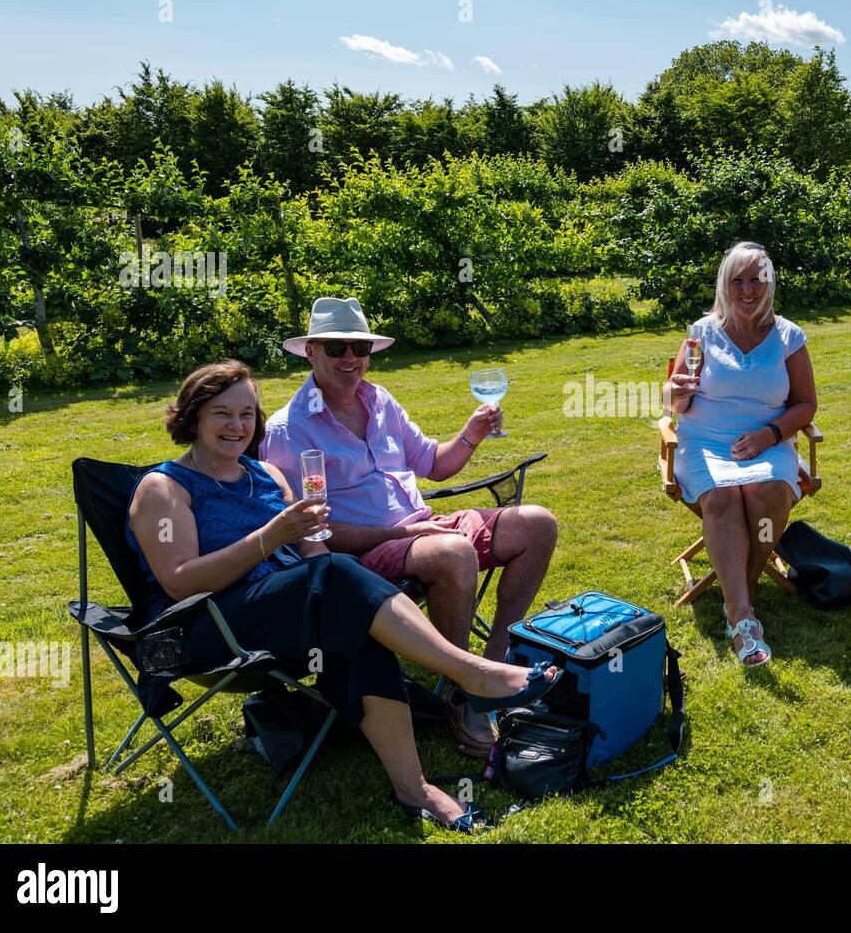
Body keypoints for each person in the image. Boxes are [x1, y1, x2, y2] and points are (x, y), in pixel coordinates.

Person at [127, 360, 558, 830]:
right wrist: (270, 539)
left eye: (247, 414)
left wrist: (325, 558)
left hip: (291, 608)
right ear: (192, 416)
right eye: (222, 414)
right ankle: (472, 674)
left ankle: (414, 789)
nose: (237, 426)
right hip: (213, 625)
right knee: (335, 577)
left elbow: (314, 551)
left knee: (352, 617)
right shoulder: (164, 487)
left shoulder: (267, 475)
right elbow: (180, 581)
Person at [261, 297, 558, 757]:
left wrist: (471, 434)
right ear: (311, 351)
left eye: (359, 347)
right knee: (453, 551)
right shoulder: (288, 430)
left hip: (423, 526)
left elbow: (433, 466)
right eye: (337, 348)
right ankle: (466, 691)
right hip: (362, 556)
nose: (351, 359)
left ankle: (493, 661)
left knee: (537, 523)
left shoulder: (380, 401)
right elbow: (306, 531)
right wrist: (399, 535)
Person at [664, 241, 818, 668]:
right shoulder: (702, 332)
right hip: (706, 442)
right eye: (739, 281)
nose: (748, 290)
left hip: (767, 440)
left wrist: (770, 435)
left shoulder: (788, 336)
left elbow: (806, 404)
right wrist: (673, 393)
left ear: (769, 283)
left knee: (767, 494)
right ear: (725, 285)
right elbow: (675, 404)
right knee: (723, 497)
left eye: (757, 279)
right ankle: (742, 617)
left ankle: (739, 593)